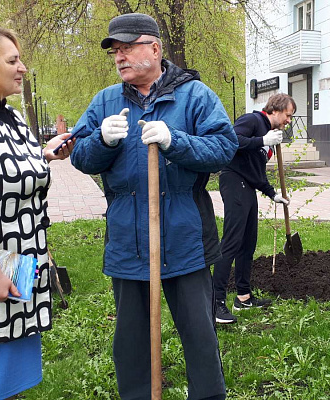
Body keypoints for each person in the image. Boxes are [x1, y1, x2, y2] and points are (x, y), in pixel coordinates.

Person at [69, 13, 237, 399]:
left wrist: (175, 140)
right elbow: (79, 156)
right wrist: (101, 141)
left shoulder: (195, 96)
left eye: (128, 48)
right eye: (115, 51)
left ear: (155, 48)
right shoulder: (106, 101)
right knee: (131, 339)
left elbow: (224, 148)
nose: (119, 57)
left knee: (198, 333)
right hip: (129, 240)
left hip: (184, 237)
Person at [0, 25, 74, 399]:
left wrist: (44, 154)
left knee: (10, 370)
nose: (23, 68)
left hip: (19, 258)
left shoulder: (12, 117)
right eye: (13, 60)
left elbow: (9, 169)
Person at [213, 93, 295, 324]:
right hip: (233, 181)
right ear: (276, 110)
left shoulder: (271, 137)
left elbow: (255, 171)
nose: (289, 121)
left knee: (248, 243)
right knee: (231, 242)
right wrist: (262, 141)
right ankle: (215, 302)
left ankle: (243, 297)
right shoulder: (252, 121)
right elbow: (231, 141)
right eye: (288, 116)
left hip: (247, 186)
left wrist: (272, 194)